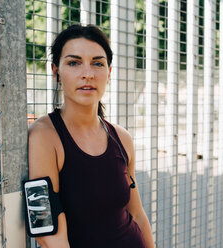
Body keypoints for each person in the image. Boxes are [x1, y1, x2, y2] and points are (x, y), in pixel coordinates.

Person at [28, 24, 155, 248]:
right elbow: (45, 228)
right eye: (74, 63)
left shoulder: (121, 138)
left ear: (109, 72)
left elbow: (137, 214)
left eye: (97, 63)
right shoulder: (44, 136)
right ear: (56, 71)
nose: (87, 73)